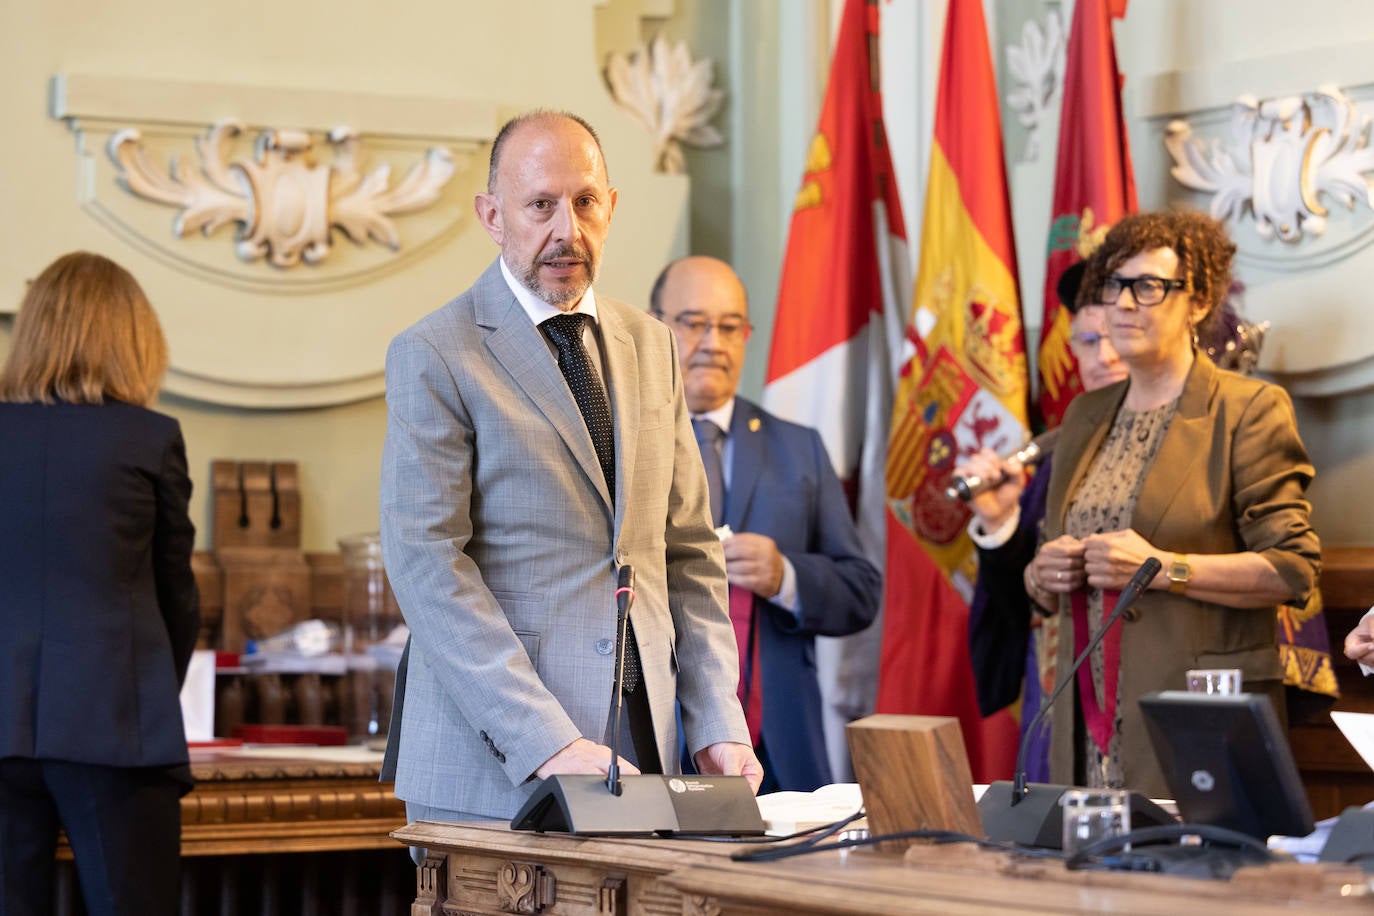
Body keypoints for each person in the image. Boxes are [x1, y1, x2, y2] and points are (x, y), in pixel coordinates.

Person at [379, 112, 761, 825]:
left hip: (644, 753)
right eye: (540, 205)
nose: (567, 230)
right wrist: (546, 740)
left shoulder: (653, 346)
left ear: (611, 207)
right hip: (495, 765)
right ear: (493, 216)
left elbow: (688, 552)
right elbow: (427, 565)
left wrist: (717, 720)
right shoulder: (435, 352)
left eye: (585, 202)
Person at [1029, 210, 1320, 798]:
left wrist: (1164, 569)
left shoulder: (1247, 409)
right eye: (1114, 286)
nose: (1125, 304)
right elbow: (1046, 573)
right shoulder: (1083, 417)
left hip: (1197, 716)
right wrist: (1041, 572)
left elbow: (1294, 570)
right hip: (1085, 728)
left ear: (1198, 301)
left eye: (1150, 286)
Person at [0, 252, 200, 916]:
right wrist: (145, 693)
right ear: (133, 340)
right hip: (116, 727)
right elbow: (178, 599)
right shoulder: (150, 438)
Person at [649, 256, 881, 792]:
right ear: (653, 322)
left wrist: (786, 577)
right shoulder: (617, 443)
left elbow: (861, 592)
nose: (713, 342)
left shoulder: (799, 449)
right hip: (658, 745)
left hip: (781, 748)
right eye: (692, 322)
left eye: (730, 326)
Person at [961, 257, 1129, 782]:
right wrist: (1001, 523)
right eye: (1085, 341)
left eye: (1114, 335)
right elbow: (1019, 606)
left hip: (1146, 685)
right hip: (1062, 700)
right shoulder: (1059, 453)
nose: (1102, 356)